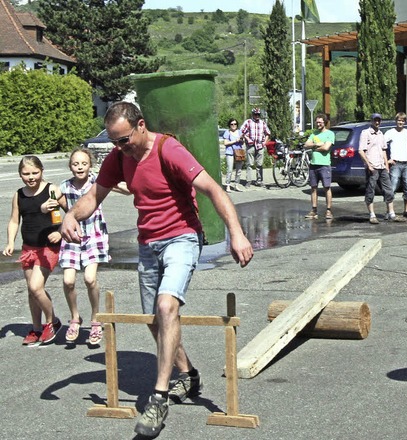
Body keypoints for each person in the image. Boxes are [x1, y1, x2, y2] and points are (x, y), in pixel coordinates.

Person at [60, 101, 253, 437]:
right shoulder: (120, 158)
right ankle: (188, 375)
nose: (120, 148)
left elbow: (212, 189)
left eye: (123, 140)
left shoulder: (169, 150)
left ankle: (159, 397)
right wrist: (70, 215)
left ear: (141, 126)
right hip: (148, 244)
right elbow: (94, 196)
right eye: (114, 143)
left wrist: (236, 233)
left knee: (167, 306)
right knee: (155, 320)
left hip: (182, 237)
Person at [58, 148, 121, 346]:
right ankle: (75, 318)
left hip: (94, 235)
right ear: (70, 166)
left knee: (89, 278)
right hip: (72, 237)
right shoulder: (65, 187)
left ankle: (95, 319)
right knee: (68, 281)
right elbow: (54, 202)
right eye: (76, 164)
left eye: (84, 163)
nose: (80, 167)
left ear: (90, 165)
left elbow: (124, 187)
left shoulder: (97, 181)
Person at [3, 156, 62, 346]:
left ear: (42, 170)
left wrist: (60, 232)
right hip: (28, 247)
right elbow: (14, 220)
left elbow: (71, 213)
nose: (31, 177)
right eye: (26, 174)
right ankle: (37, 328)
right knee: (32, 291)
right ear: (20, 174)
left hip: (47, 248)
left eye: (35, 173)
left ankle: (52, 321)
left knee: (36, 287)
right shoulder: (19, 194)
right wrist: (10, 242)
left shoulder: (51, 190)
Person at [359, 113, 395, 224]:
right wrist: (369, 165)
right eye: (375, 120)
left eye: (379, 120)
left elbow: (384, 150)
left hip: (382, 166)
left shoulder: (381, 134)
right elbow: (361, 151)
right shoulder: (365, 133)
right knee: (370, 190)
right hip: (372, 166)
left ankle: (391, 213)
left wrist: (386, 165)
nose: (377, 122)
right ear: (371, 121)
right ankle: (372, 214)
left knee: (388, 190)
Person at [385, 112, 407, 219]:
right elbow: (382, 146)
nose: (400, 122)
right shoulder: (390, 132)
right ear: (396, 121)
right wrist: (387, 160)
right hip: (395, 163)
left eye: (402, 121)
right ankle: (389, 211)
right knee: (392, 188)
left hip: (406, 163)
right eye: (399, 120)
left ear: (405, 122)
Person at [304, 113, 335, 220]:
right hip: (313, 164)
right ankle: (314, 210)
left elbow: (326, 148)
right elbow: (306, 144)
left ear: (325, 122)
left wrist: (315, 147)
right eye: (317, 122)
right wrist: (317, 144)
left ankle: (328, 210)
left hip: (324, 165)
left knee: (327, 187)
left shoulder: (330, 134)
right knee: (313, 188)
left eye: (320, 122)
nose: (318, 124)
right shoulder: (314, 134)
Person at [240, 108, 271, 188]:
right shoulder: (248, 122)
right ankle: (249, 181)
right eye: (255, 114)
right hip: (251, 146)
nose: (257, 116)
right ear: (253, 114)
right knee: (250, 164)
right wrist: (247, 139)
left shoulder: (262, 123)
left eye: (258, 114)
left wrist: (265, 142)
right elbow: (242, 131)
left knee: (260, 164)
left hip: (260, 146)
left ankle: (259, 180)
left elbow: (268, 133)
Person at [222, 118, 245, 192]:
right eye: (232, 124)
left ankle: (236, 185)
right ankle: (228, 185)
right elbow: (225, 143)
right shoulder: (227, 132)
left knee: (239, 170)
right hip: (230, 152)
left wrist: (241, 140)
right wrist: (235, 141)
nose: (233, 125)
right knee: (229, 170)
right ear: (229, 125)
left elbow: (242, 142)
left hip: (238, 152)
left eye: (235, 124)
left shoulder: (239, 132)